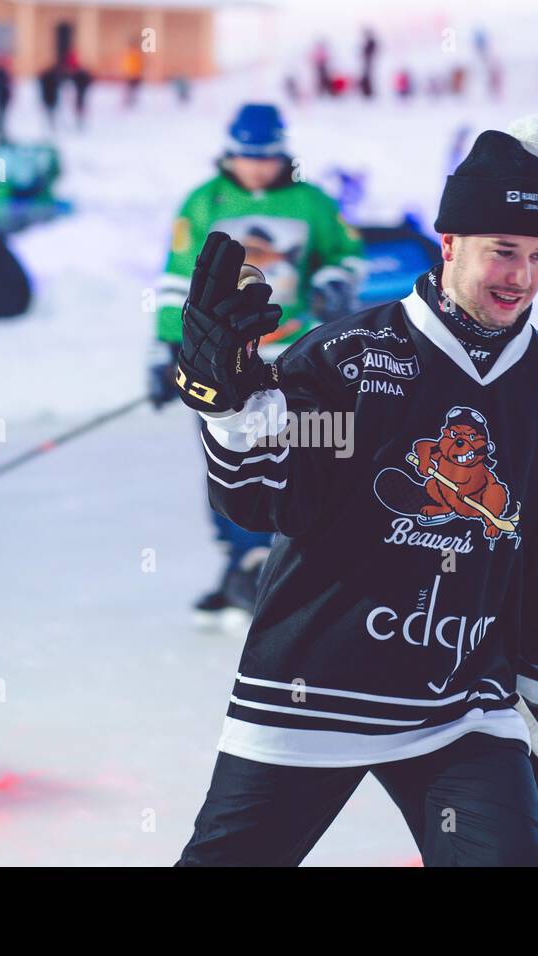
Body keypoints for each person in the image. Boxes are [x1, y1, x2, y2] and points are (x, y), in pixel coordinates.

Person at [171, 116, 538, 867]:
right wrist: (230, 402)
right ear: (449, 245)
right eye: (503, 251)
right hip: (308, 693)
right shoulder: (350, 358)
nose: (521, 276)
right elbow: (260, 495)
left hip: (462, 709)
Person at [147, 103, 365, 628]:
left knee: (305, 455)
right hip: (225, 364)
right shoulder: (204, 202)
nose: (258, 166)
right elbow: (179, 279)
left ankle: (293, 565)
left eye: (267, 156)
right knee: (231, 455)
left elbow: (349, 253)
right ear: (231, 151)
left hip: (297, 355)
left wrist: (336, 281)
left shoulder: (312, 201)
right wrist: (164, 348)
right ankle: (242, 563)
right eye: (248, 156)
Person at [37, 63, 60, 130]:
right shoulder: (51, 77)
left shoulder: (47, 77)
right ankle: (49, 126)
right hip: (50, 97)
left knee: (50, 113)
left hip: (50, 97)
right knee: (49, 113)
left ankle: (50, 126)